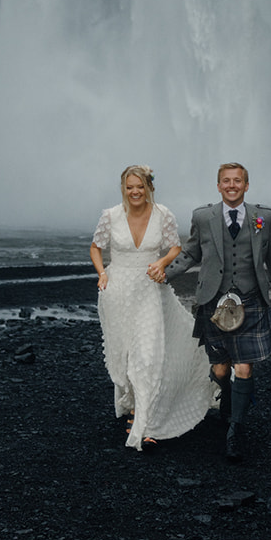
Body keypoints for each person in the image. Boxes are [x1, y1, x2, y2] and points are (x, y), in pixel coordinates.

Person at [156, 161, 271, 461]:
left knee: (244, 367)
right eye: (226, 181)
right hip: (213, 301)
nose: (232, 186)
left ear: (246, 185)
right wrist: (164, 274)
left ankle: (236, 431)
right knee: (221, 368)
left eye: (237, 181)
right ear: (218, 186)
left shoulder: (265, 217)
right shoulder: (203, 216)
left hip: (251, 300)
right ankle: (230, 400)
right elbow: (191, 252)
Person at [90, 165, 216, 451]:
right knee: (124, 356)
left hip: (149, 288)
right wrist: (102, 273)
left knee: (147, 355)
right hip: (118, 290)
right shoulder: (110, 215)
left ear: (149, 187)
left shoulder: (163, 214)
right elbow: (96, 247)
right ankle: (134, 403)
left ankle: (146, 423)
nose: (135, 191)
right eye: (129, 187)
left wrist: (161, 263)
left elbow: (174, 247)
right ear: (123, 188)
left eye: (140, 186)